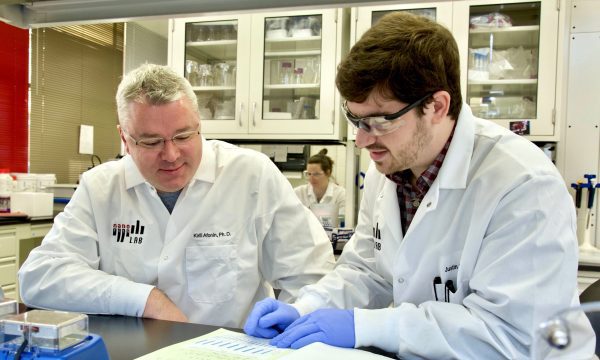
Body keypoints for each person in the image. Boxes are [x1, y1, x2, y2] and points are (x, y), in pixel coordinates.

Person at [243, 12, 595, 358]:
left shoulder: (523, 185)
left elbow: (508, 336)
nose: (362, 141)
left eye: (380, 121)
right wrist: (306, 308)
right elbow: (367, 272)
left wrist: (364, 327)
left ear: (437, 106)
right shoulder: (390, 171)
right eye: (355, 119)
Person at [18, 63, 335, 328]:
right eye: (151, 142)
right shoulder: (100, 187)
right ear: (125, 140)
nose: (170, 155)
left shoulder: (251, 175)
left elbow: (311, 277)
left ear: (200, 125)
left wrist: (287, 334)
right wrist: (145, 300)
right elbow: (40, 278)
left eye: (183, 136)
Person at [294, 149, 345, 222]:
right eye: (309, 174)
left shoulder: (341, 194)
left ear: (328, 173)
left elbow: (342, 223)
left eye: (316, 174)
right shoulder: (298, 193)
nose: (311, 178)